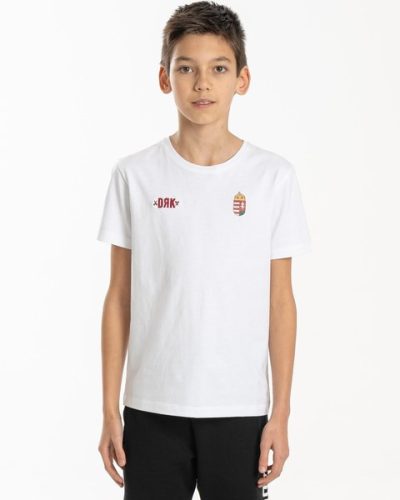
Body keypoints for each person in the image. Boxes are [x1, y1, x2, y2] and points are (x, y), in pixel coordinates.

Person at [96, 2, 312, 499]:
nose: (201, 84)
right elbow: (119, 297)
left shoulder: (273, 177)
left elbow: (280, 301)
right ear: (164, 78)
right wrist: (110, 410)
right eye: (185, 68)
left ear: (242, 79)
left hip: (239, 408)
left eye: (218, 69)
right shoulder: (134, 175)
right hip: (151, 408)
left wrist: (280, 412)